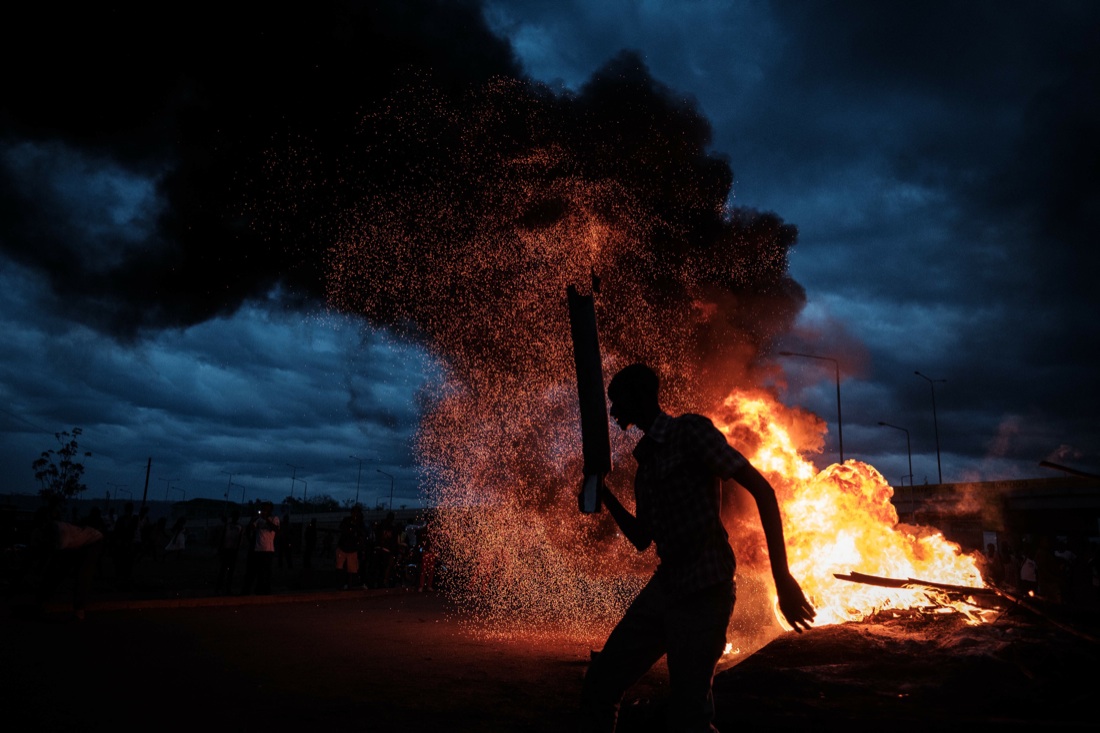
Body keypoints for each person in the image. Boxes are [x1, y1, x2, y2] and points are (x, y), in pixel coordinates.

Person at [579, 363, 816, 733]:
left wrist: (783, 579)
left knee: (689, 716)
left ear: (641, 395)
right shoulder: (646, 465)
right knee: (600, 685)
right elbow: (643, 538)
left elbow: (764, 492)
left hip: (706, 588)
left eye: (617, 401)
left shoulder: (689, 432)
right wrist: (604, 492)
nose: (612, 412)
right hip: (668, 584)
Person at [242, 502, 279, 595]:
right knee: (256, 571)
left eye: (266, 509)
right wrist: (252, 519)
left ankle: (266, 590)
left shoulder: (274, 518)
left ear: (270, 509)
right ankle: (257, 590)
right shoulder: (258, 520)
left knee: (267, 571)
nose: (264, 510)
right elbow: (250, 528)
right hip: (258, 549)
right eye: (262, 509)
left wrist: (266, 519)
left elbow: (276, 529)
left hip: (268, 550)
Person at [336, 505, 367, 589]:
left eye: (357, 513)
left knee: (352, 569)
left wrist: (361, 548)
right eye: (354, 512)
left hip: (353, 549)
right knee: (340, 567)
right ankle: (340, 584)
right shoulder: (346, 520)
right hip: (343, 547)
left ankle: (349, 585)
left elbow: (363, 535)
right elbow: (342, 530)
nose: (355, 515)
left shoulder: (360, 523)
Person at [214, 510, 244, 594]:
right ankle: (219, 587)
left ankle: (227, 587)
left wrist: (238, 549)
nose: (235, 518)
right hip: (226, 549)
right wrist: (220, 548)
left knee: (230, 570)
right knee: (223, 569)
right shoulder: (227, 526)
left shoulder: (239, 527)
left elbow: (240, 539)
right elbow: (222, 537)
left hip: (233, 550)